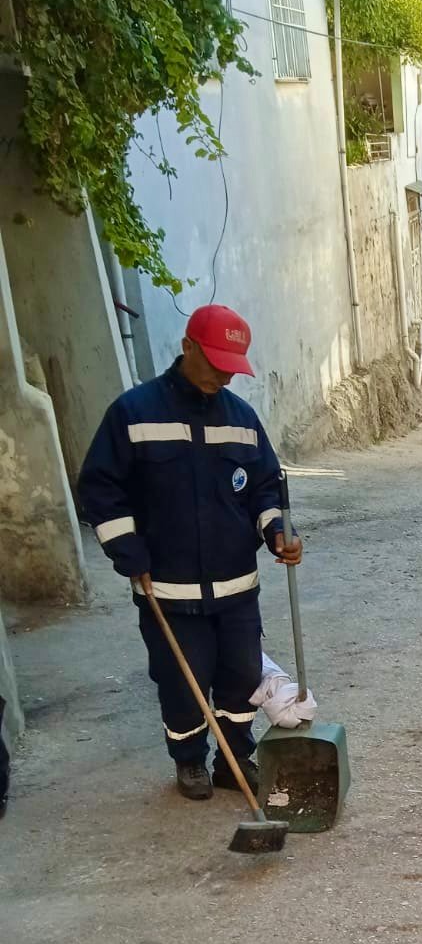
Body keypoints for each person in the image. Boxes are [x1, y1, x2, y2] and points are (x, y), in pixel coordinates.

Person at [78, 305, 302, 799]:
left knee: (242, 676)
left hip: (237, 586)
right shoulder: (133, 414)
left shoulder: (243, 421)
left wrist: (277, 532)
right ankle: (189, 761)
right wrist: (126, 550)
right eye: (215, 361)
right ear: (187, 347)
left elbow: (266, 488)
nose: (223, 374)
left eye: (231, 365)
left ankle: (234, 758)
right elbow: (100, 489)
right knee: (184, 680)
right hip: (168, 587)